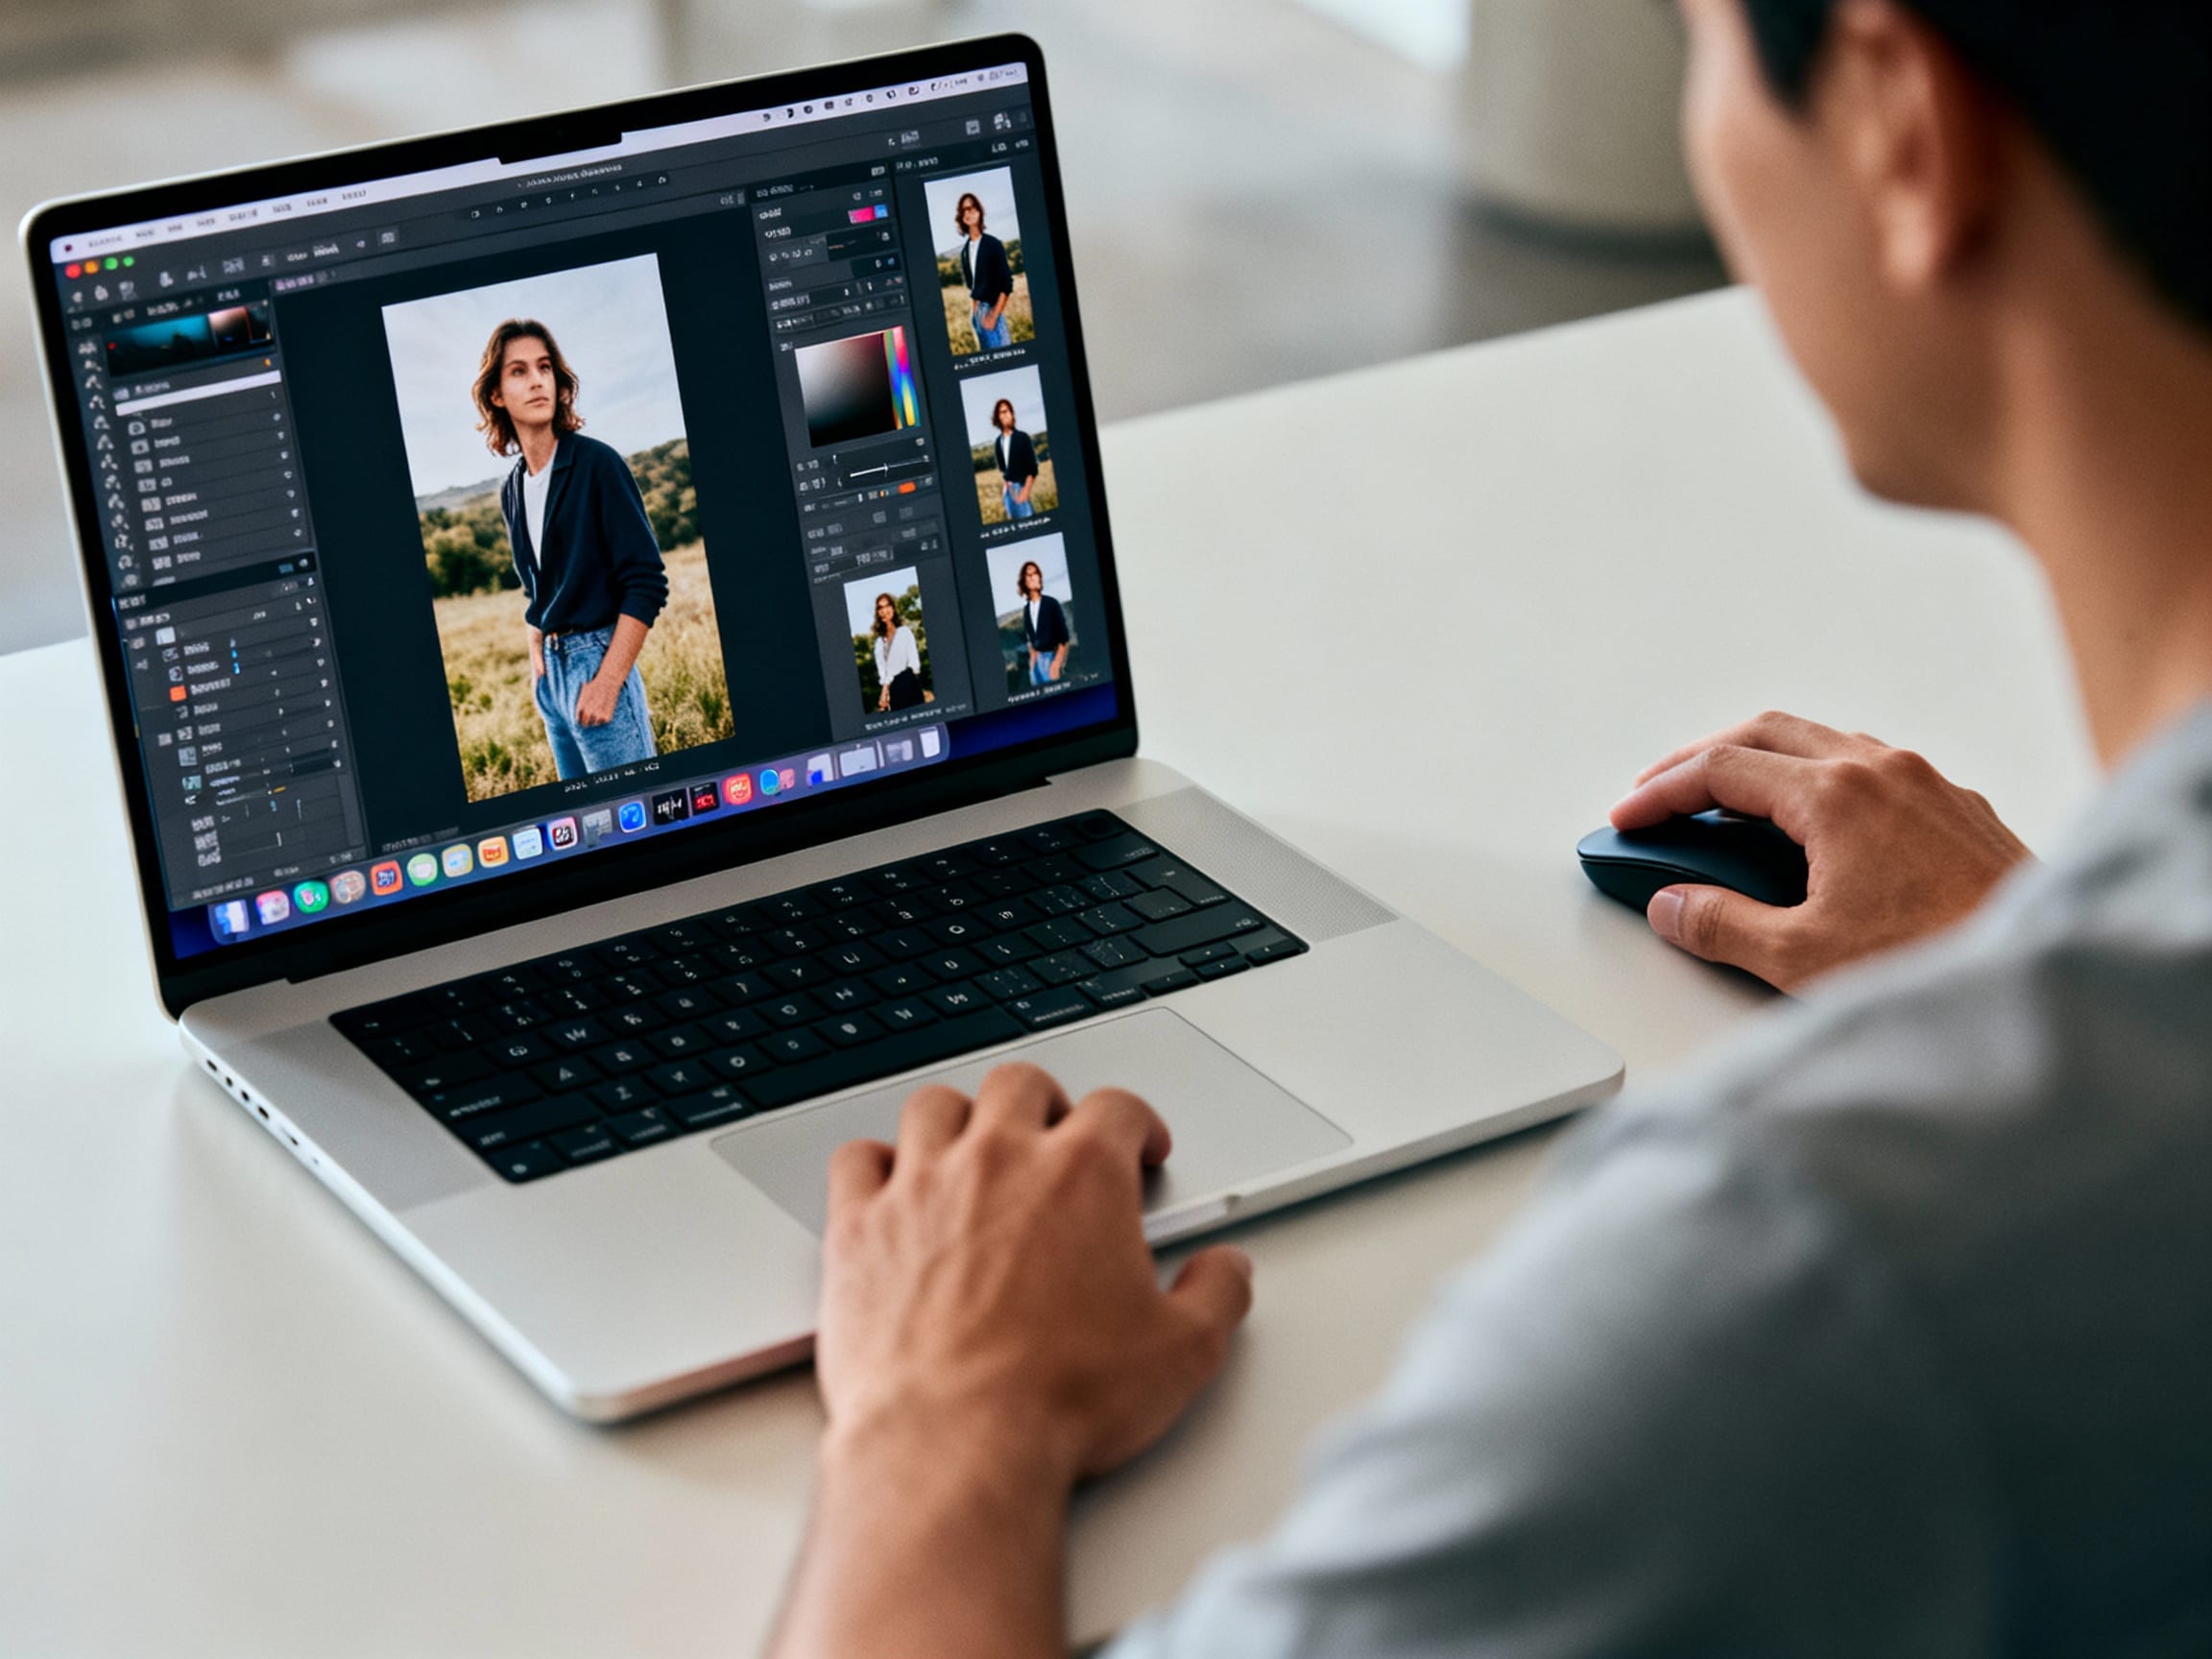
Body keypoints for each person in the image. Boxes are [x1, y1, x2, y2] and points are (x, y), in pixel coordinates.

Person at [769, 1, 2212, 1654]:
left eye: (1703, 39)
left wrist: (944, 1416)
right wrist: (2062, 979)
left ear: (1898, 126)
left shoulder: (1795, 1288)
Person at [474, 318, 665, 781]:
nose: (537, 379)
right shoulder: (512, 489)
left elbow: (646, 582)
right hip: (552, 684)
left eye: (545, 367)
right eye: (518, 371)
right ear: (497, 394)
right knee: (587, 831)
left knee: (636, 819)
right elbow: (535, 587)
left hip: (599, 666)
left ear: (559, 382)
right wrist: (536, 648)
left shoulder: (597, 464)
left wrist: (608, 682)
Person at [953, 188, 1015, 351]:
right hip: (977, 314)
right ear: (961, 217)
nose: (969, 212)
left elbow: (1007, 284)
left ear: (980, 212)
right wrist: (974, 313)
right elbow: (971, 286)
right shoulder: (965, 251)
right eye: (964, 210)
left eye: (972, 207)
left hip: (992, 312)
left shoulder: (993, 245)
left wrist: (993, 316)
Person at [1015, 558, 1069, 685]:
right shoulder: (1027, 609)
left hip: (1051, 659)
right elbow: (1030, 637)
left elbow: (1063, 637)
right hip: (1036, 663)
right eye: (1030, 574)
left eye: (1036, 573)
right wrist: (1032, 661)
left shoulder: (1051, 603)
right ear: (1025, 581)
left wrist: (1056, 664)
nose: (1034, 577)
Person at [870, 591, 924, 712]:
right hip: (893, 689)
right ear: (878, 612)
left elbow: (914, 664)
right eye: (880, 608)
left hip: (908, 682)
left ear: (893, 608)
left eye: (887, 606)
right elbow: (883, 672)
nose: (884, 611)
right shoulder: (879, 642)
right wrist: (885, 692)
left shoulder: (904, 632)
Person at [990, 397, 1039, 521]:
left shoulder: (1022, 437)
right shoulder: (998, 442)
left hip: (1021, 489)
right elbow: (1003, 470)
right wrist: (1006, 489)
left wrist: (1025, 491)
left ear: (1012, 414)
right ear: (998, 417)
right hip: (1008, 492)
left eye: (1008, 411)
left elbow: (1032, 468)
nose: (1006, 415)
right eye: (1002, 412)